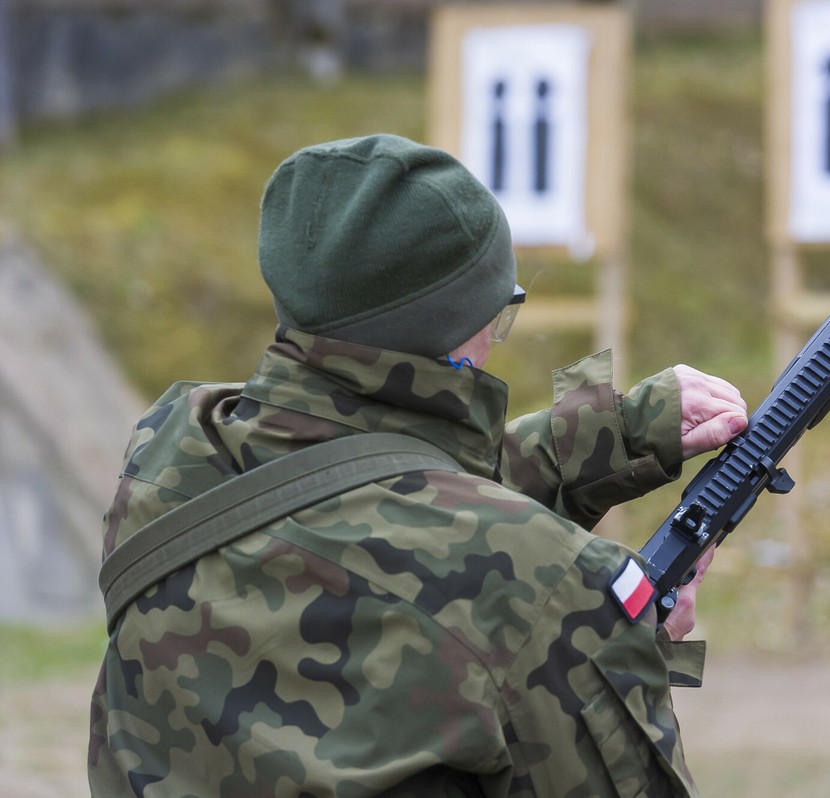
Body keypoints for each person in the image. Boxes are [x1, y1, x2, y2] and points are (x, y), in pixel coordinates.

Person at [87, 134, 748, 797]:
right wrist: (621, 647)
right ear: (457, 335)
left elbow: (358, 505)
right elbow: (436, 538)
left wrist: (609, 434)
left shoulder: (168, 458)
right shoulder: (548, 586)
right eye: (498, 312)